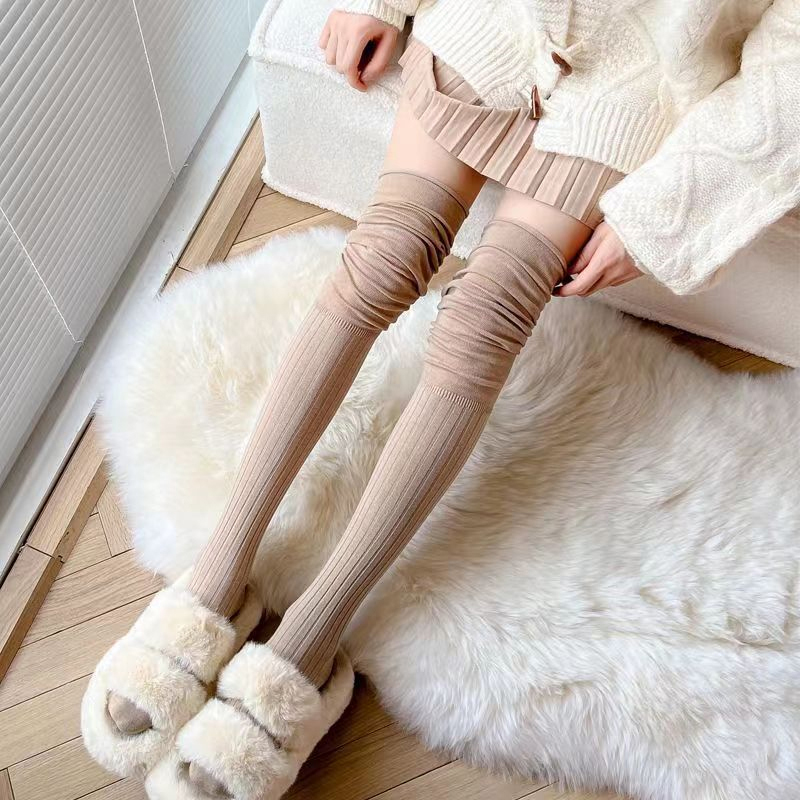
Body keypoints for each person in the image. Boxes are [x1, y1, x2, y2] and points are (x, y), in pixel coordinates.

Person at [83, 2, 800, 797]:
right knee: (378, 262)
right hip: (495, 23)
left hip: (633, 100)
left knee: (482, 327)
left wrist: (661, 214)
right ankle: (214, 581)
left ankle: (310, 641)